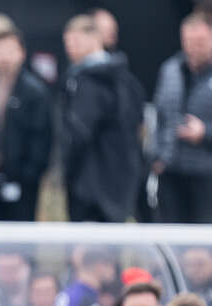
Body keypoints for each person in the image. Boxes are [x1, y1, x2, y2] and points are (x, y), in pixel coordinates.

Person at [150, 14, 212, 225]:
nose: (194, 48)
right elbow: (159, 116)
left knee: (201, 242)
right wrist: (157, 155)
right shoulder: (170, 70)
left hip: (208, 172)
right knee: (167, 234)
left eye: (200, 42)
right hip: (171, 169)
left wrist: (206, 132)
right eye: (189, 42)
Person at [61, 15, 143, 223]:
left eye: (76, 41)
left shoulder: (88, 83)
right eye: (67, 43)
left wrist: (69, 173)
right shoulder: (126, 78)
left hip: (90, 188)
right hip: (120, 183)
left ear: (94, 39)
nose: (70, 49)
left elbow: (78, 134)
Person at [0, 27, 51, 222]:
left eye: (10, 51)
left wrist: (27, 175)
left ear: (22, 53)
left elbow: (41, 140)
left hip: (21, 182)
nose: (5, 58)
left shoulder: (34, 92)